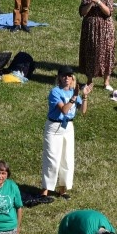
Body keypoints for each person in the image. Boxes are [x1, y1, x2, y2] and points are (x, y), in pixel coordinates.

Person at [40, 66, 91, 200]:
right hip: (54, 127)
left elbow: (83, 111)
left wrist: (84, 96)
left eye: (69, 76)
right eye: (64, 76)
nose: (67, 78)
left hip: (68, 127)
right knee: (52, 159)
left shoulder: (74, 93)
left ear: (72, 78)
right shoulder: (55, 92)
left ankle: (62, 190)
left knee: (67, 159)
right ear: (59, 78)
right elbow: (64, 110)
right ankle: (45, 191)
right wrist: (74, 97)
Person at [79, 0, 113, 91]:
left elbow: (108, 12)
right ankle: (89, 81)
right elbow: (82, 13)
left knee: (106, 52)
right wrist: (90, 3)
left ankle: (106, 82)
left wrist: (98, 2)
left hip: (105, 28)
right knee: (90, 52)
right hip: (90, 28)